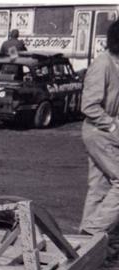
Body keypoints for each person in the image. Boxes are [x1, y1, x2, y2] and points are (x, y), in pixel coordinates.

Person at [79, 19, 119, 236]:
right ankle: (91, 232)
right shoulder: (103, 64)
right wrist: (112, 126)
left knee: (100, 188)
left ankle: (86, 246)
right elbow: (89, 106)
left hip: (106, 132)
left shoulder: (116, 64)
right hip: (99, 131)